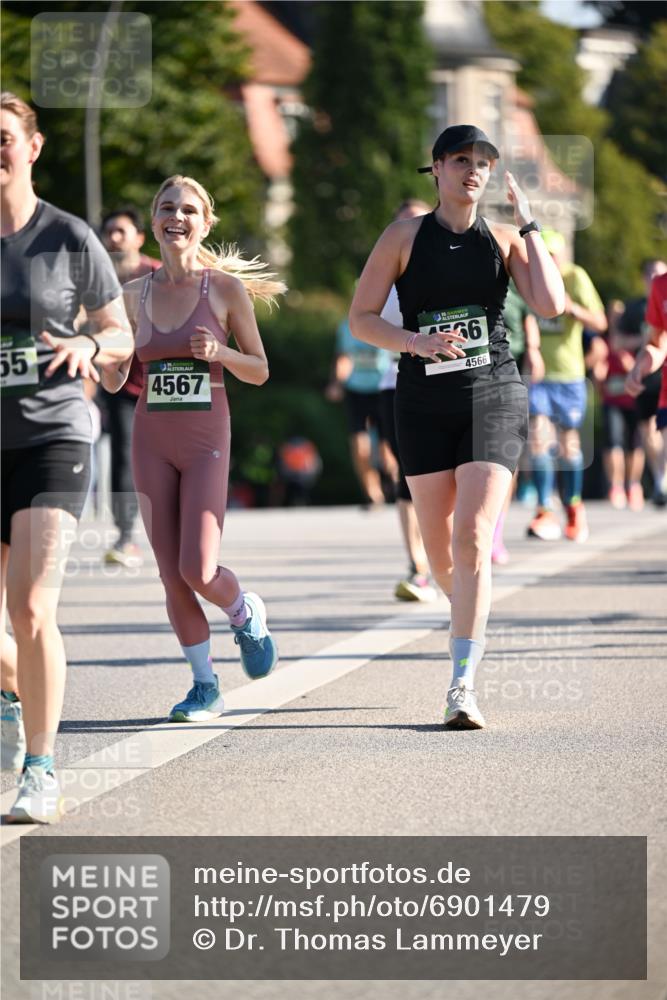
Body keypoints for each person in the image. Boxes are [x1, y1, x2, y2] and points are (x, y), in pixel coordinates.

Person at [349, 124, 564, 729]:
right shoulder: (402, 238)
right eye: (462, 160)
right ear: (437, 168)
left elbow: (550, 305)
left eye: (484, 163)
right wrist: (414, 340)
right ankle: (464, 605)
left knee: (472, 537)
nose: (474, 171)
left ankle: (461, 685)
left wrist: (529, 225)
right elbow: (362, 317)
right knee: (444, 554)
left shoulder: (502, 238)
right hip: (421, 403)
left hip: (494, 393)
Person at [0, 92, 133, 822]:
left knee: (29, 605)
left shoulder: (68, 237)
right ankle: (9, 696)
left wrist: (87, 343)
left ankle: (41, 769)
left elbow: (121, 336)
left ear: (33, 147)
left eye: (5, 138)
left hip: (54, 436)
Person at [118, 174, 284, 723]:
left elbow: (259, 370)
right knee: (170, 573)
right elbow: (117, 374)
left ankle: (243, 614)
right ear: (153, 220)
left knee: (198, 568)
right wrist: (108, 360)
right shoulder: (132, 294)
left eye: (189, 209)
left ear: (206, 222)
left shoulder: (224, 291)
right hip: (151, 440)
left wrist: (221, 353)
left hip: (206, 440)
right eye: (167, 207)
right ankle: (204, 684)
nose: (178, 217)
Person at [526, 229, 607, 543]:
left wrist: (572, 308)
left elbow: (601, 323)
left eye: (553, 256)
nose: (548, 262)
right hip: (538, 376)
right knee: (538, 440)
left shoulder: (576, 277)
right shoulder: (527, 276)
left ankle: (573, 506)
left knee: (568, 445)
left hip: (570, 374)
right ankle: (544, 508)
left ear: (563, 256)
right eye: (542, 256)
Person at [376, 199, 437, 602]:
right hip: (396, 384)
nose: (409, 231)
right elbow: (370, 320)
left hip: (450, 384)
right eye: (402, 224)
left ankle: (446, 561)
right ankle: (417, 566)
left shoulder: (452, 262)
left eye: (416, 222)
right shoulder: (386, 270)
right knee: (407, 475)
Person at [99, 207, 161, 566]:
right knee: (123, 457)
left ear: (139, 237)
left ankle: (177, 528)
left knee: (165, 457)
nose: (114, 237)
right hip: (122, 384)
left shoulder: (158, 274)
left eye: (121, 231)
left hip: (164, 382)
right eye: (109, 232)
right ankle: (125, 536)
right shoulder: (100, 283)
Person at [492, 280, 541, 564]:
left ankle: (495, 533)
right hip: (471, 377)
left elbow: (530, 317)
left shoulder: (516, 282)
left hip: (512, 371)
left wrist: (534, 350)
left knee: (504, 458)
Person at [325, 314, 391, 508]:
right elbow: (343, 358)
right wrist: (337, 383)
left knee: (388, 451)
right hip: (357, 391)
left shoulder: (386, 321)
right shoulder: (346, 326)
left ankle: (396, 481)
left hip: (383, 388)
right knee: (360, 447)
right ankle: (374, 494)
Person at [615, 259, 667, 505]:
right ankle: (661, 480)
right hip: (656, 382)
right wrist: (638, 366)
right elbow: (658, 344)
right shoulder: (659, 289)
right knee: (652, 431)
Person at [600, 300, 645, 510]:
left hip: (633, 399)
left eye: (619, 315)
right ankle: (616, 486)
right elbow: (599, 368)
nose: (615, 319)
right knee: (613, 443)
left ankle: (633, 486)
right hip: (611, 399)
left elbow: (636, 366)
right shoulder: (603, 340)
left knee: (635, 445)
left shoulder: (634, 336)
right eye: (612, 315)